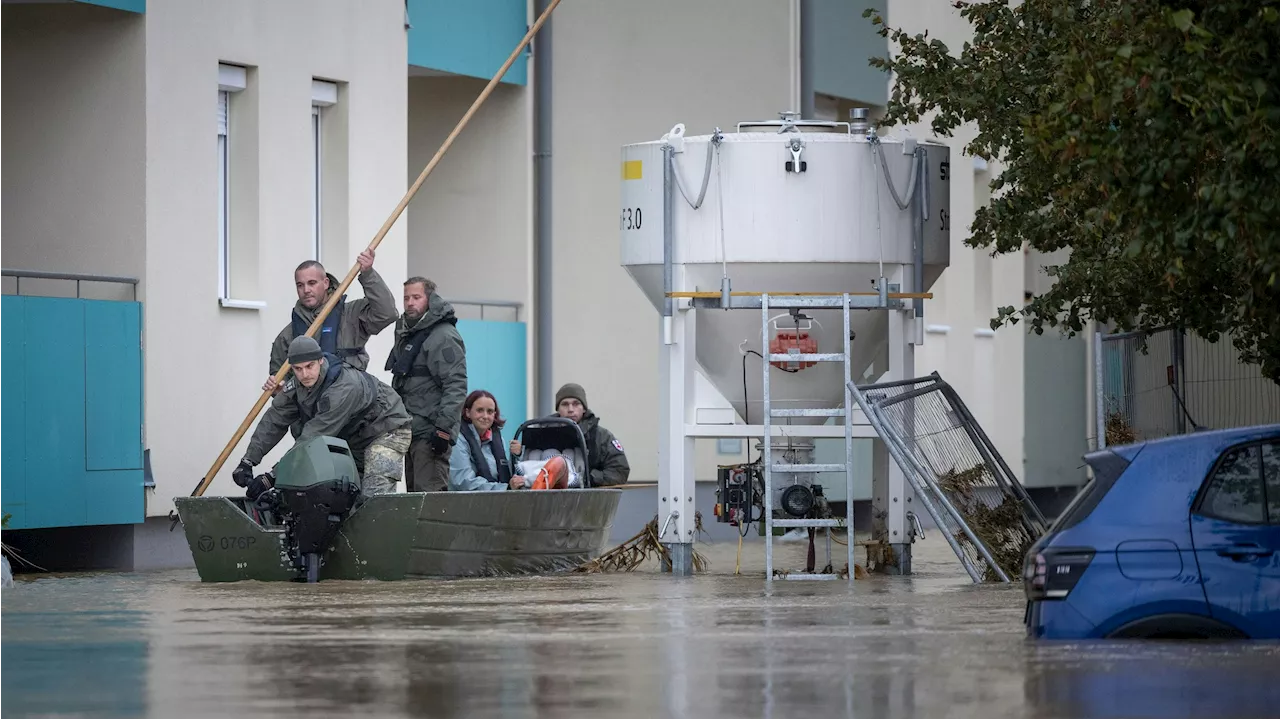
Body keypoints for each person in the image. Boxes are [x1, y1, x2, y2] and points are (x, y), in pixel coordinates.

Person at [235, 336, 413, 502]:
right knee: (343, 497)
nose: (304, 374)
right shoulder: (297, 384)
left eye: (309, 366)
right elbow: (274, 420)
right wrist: (248, 461)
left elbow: (314, 437)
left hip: (387, 429)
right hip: (355, 437)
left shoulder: (343, 388)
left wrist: (272, 476)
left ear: (321, 360)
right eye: (298, 369)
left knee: (373, 499)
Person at [263, 250, 398, 393]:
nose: (306, 290)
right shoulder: (286, 336)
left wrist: (368, 274)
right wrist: (279, 390)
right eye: (300, 285)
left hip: (351, 403)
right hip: (313, 411)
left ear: (326, 282)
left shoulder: (352, 315)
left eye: (312, 283)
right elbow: (282, 387)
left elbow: (387, 314)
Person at [384, 277, 468, 492]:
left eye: (416, 297)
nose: (410, 303)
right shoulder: (409, 333)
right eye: (406, 298)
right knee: (414, 498)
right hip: (411, 430)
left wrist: (443, 431)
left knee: (429, 500)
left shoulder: (443, 335)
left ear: (430, 300)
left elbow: (455, 386)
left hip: (431, 433)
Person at [514, 383, 629, 487]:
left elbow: (619, 471)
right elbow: (526, 467)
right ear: (558, 409)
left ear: (584, 408)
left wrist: (588, 478)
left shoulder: (601, 436)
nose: (570, 409)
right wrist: (519, 453)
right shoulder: (540, 432)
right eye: (565, 404)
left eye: (576, 404)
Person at [448, 390, 528, 491]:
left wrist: (517, 456)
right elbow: (463, 482)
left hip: (496, 499)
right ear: (468, 412)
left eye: (490, 412)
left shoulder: (499, 440)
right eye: (480, 410)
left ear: (494, 415)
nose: (485, 416)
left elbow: (510, 477)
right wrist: (505, 489)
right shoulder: (457, 440)